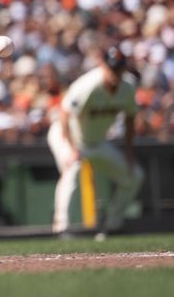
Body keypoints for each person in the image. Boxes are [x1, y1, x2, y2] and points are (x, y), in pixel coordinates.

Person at [47, 47, 144, 236]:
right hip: (66, 135)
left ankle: (112, 224)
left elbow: (131, 119)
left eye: (119, 68)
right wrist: (72, 148)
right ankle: (61, 227)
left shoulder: (128, 87)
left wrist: (129, 154)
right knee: (72, 168)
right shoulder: (88, 85)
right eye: (112, 68)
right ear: (103, 66)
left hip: (97, 142)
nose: (114, 72)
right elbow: (64, 115)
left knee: (134, 176)